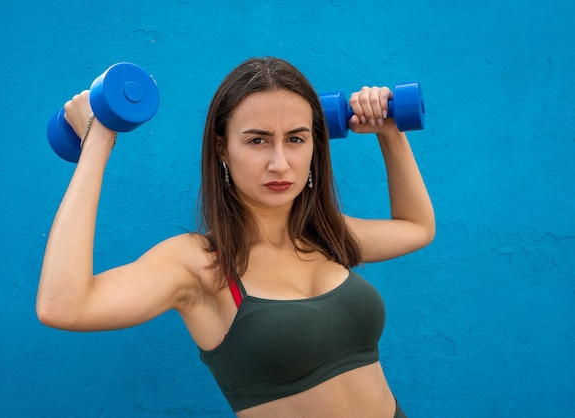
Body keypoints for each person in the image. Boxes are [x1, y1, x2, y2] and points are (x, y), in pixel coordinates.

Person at [37, 56, 435, 417]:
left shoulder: (325, 234)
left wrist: (389, 133)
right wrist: (98, 139)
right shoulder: (199, 265)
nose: (280, 163)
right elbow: (63, 306)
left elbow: (418, 228)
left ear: (316, 145)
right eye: (257, 140)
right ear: (222, 148)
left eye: (295, 139)